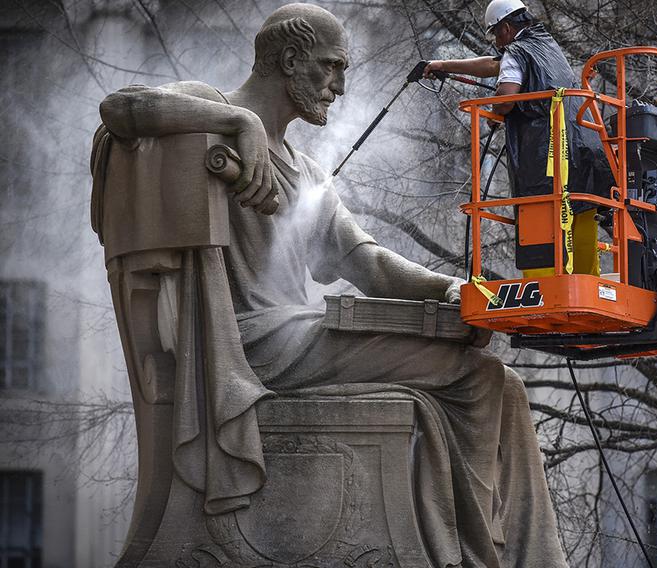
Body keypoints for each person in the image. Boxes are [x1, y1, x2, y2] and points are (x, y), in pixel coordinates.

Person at [96, 3, 568, 567]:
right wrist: (238, 124)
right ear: (291, 60)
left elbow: (366, 262)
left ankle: (510, 554)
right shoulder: (212, 110)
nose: (340, 87)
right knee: (482, 381)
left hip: (300, 339)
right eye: (332, 67)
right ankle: (489, 556)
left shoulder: (308, 173)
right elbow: (120, 109)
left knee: (502, 383)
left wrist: (453, 288)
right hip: (246, 347)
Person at [425, 0, 614, 276]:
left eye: (495, 34)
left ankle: (546, 292)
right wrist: (444, 64)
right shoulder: (545, 45)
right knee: (580, 215)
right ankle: (587, 287)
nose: (497, 43)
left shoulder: (516, 50)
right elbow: (494, 65)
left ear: (507, 27)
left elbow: (506, 96)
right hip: (582, 154)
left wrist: (494, 109)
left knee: (541, 232)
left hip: (544, 163)